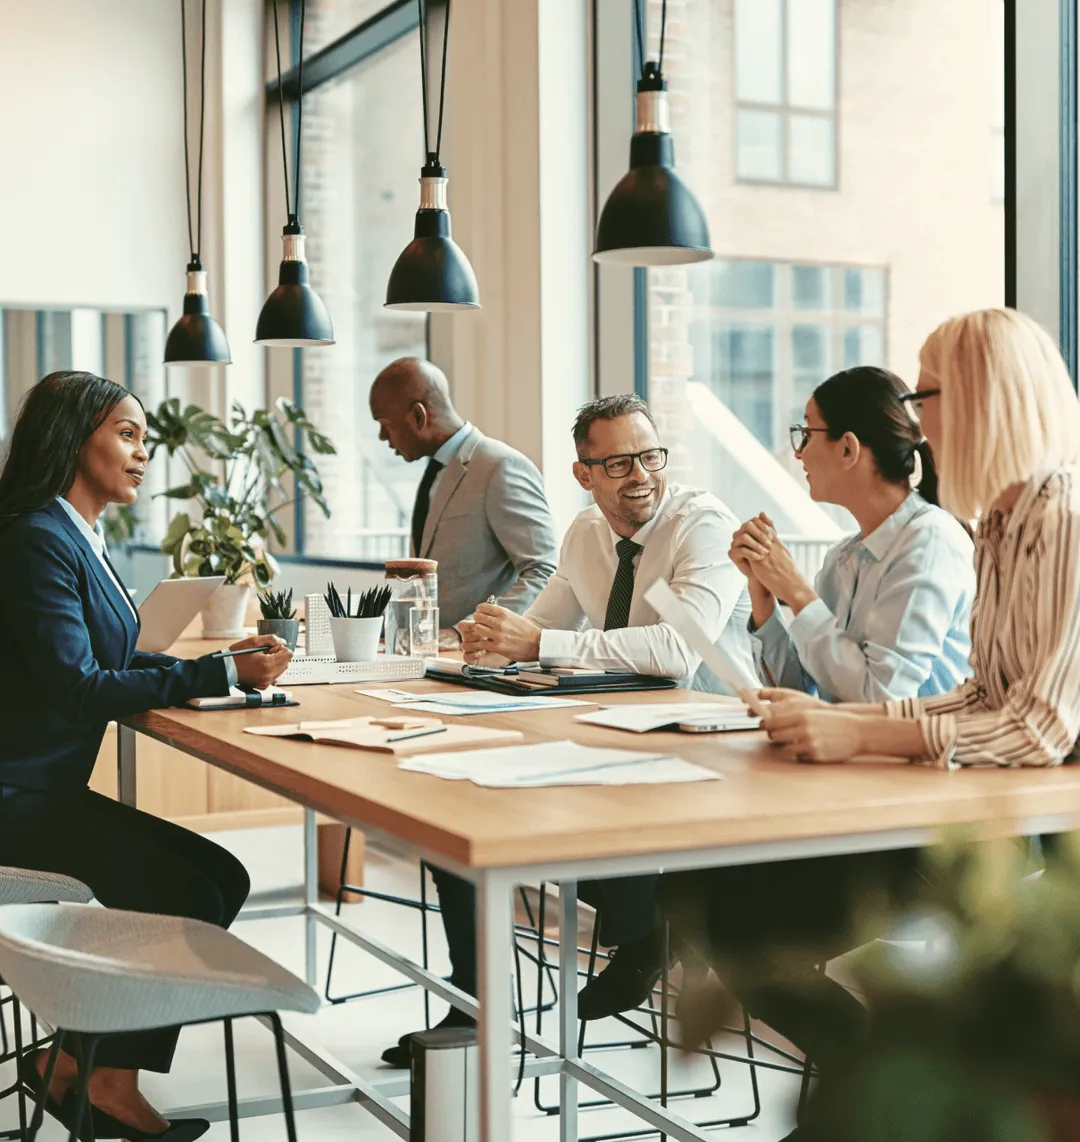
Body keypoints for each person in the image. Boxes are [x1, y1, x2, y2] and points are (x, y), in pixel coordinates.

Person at [659, 308, 1080, 1136]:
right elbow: (979, 694)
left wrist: (860, 729)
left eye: (927, 394)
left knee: (741, 913)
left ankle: (875, 1081)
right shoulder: (1000, 523)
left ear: (983, 399)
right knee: (718, 898)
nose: (917, 424)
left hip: (1005, 837)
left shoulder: (1057, 521)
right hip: (956, 799)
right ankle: (873, 1079)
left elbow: (1037, 729)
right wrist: (846, 718)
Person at [0, 371, 293, 1142]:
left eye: (141, 438)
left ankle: (84, 1066)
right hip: (15, 798)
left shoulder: (73, 532)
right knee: (191, 891)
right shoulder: (36, 537)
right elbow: (75, 685)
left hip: (41, 787)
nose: (142, 454)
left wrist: (206, 665)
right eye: (126, 435)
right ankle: (97, 1076)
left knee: (220, 878)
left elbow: (91, 660)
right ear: (73, 439)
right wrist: (223, 674)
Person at [452, 396, 752, 1019]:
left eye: (649, 456)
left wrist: (536, 643)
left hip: (717, 738)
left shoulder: (702, 525)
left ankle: (649, 930)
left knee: (566, 799)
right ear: (583, 474)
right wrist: (489, 641)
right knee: (496, 803)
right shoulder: (586, 533)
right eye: (617, 464)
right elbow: (541, 626)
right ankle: (645, 928)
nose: (640, 475)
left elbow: (678, 651)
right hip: (626, 730)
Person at [731, 365, 974, 703]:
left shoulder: (930, 541)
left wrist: (797, 591)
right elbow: (796, 691)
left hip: (920, 753)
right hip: (852, 752)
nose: (799, 452)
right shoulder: (842, 559)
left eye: (807, 433)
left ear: (848, 448)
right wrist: (763, 589)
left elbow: (882, 699)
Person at [369, 357, 557, 634]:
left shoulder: (500, 466)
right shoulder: (434, 471)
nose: (382, 437)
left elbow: (544, 572)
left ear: (418, 416)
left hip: (477, 658)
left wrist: (466, 632)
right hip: (431, 656)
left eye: (385, 424)